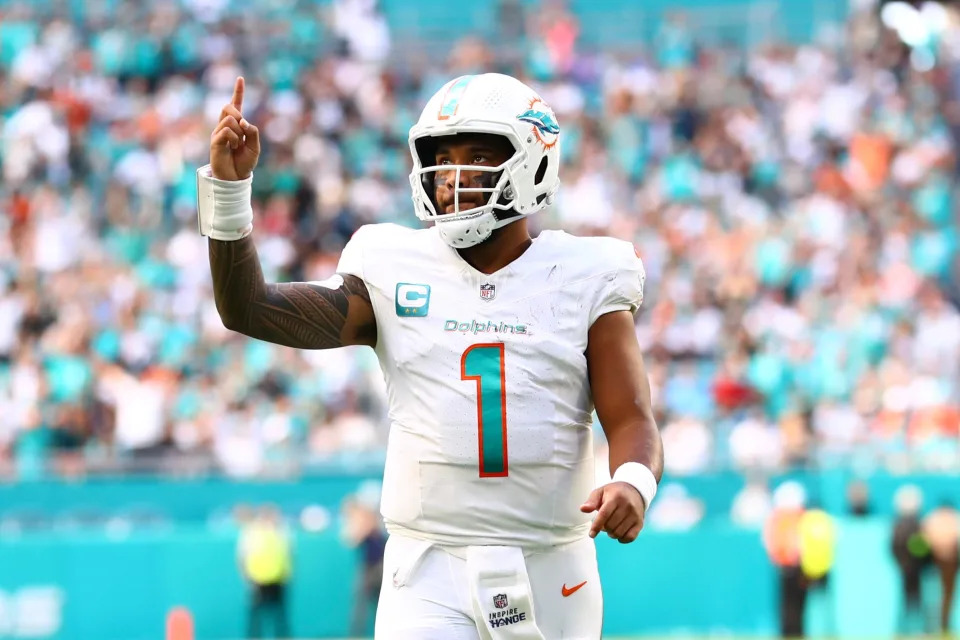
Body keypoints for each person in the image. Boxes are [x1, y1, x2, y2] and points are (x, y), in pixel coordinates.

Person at [198, 72, 663, 639]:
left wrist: (633, 481)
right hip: (428, 568)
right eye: (442, 159)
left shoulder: (586, 274)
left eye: (476, 156)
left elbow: (632, 416)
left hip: (551, 564)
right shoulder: (391, 264)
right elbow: (248, 308)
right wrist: (227, 193)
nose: (453, 176)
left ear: (532, 162)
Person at [237, 505, 292, 639]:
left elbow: (286, 554)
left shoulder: (281, 532)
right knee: (256, 617)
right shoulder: (252, 532)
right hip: (258, 579)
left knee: (278, 616)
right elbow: (243, 556)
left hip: (277, 579)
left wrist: (287, 573)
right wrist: (247, 577)